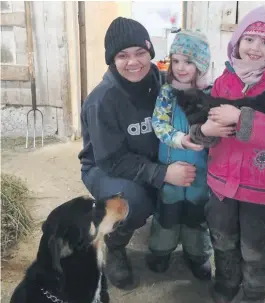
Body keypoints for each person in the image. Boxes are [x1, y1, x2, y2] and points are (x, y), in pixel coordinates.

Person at [189, 5, 265, 303]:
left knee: (257, 246)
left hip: (263, 184)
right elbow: (207, 120)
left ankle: (256, 293)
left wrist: (239, 118)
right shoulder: (224, 79)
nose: (256, 48)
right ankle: (227, 283)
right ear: (238, 41)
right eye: (250, 39)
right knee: (223, 237)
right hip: (221, 182)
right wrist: (204, 131)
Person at [78, 17, 197, 290]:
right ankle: (115, 245)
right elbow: (110, 159)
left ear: (150, 53)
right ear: (112, 59)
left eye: (140, 53)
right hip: (105, 168)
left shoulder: (160, 82)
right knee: (134, 201)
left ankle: (191, 244)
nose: (133, 62)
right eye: (123, 55)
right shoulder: (103, 100)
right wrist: (163, 174)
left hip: (150, 161)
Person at [147, 30, 213, 280]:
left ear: (201, 63)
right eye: (175, 61)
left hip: (202, 169)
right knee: (168, 208)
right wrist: (180, 140)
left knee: (197, 211)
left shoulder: (212, 93)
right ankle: (161, 251)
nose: (181, 68)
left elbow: (217, 126)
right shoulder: (167, 92)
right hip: (171, 165)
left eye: (188, 61)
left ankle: (197, 255)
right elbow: (159, 123)